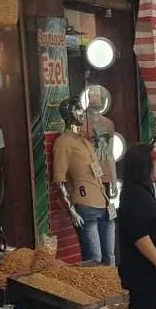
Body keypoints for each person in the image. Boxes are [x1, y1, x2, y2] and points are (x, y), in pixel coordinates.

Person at [114, 144, 156, 309]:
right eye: (155, 161)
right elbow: (139, 235)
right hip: (143, 270)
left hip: (148, 271)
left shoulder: (145, 192)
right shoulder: (134, 196)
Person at [53, 105, 112, 264]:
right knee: (94, 259)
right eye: (77, 108)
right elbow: (59, 180)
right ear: (68, 114)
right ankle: (98, 289)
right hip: (85, 205)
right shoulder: (63, 143)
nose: (81, 112)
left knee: (109, 257)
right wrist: (71, 210)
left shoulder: (85, 142)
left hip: (104, 203)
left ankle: (113, 288)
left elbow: (98, 172)